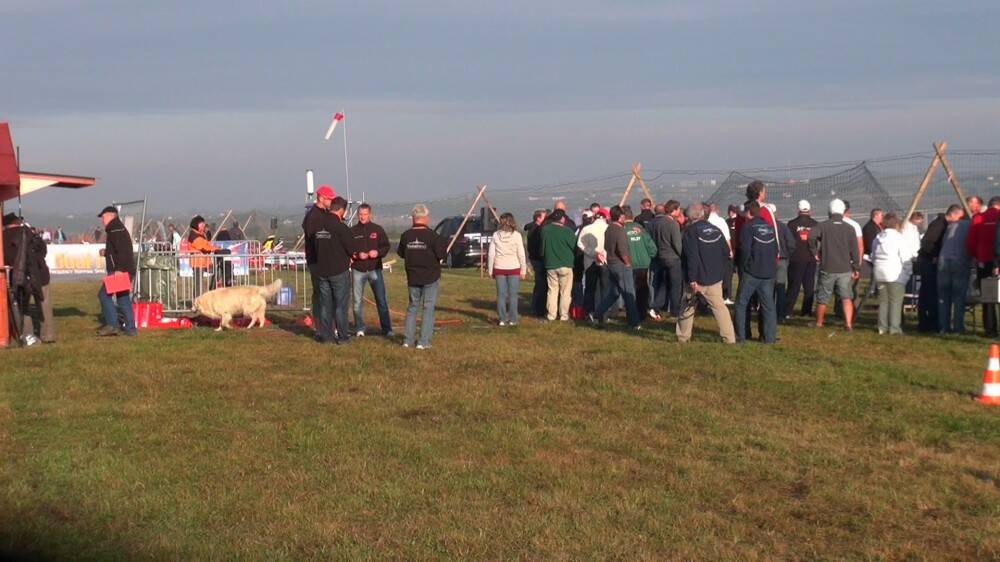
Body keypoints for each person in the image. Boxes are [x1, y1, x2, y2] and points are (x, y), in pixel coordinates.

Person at [676, 203, 736, 344]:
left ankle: (683, 337)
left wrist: (691, 278)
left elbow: (692, 257)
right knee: (720, 308)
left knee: (687, 307)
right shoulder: (715, 229)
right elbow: (726, 252)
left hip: (697, 279)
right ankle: (729, 338)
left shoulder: (690, 232)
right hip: (714, 277)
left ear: (689, 217)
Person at [397, 204, 448, 349]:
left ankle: (407, 340)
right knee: (428, 307)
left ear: (413, 218)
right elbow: (442, 255)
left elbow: (401, 253)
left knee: (412, 307)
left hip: (412, 277)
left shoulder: (406, 236)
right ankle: (423, 341)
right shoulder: (433, 236)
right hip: (430, 277)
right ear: (426, 218)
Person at [808, 199, 861, 330]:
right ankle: (848, 324)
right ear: (843, 211)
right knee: (846, 297)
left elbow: (810, 237)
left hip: (828, 267)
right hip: (845, 268)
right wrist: (856, 267)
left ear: (829, 211)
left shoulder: (823, 226)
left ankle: (819, 323)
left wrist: (815, 252)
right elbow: (855, 250)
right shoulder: (849, 228)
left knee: (823, 297)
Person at [3, 214, 54, 345]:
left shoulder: (3, 237)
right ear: (17, 222)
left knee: (23, 306)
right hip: (40, 273)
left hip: (20, 275)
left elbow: (7, 258)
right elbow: (43, 250)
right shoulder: (29, 232)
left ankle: (28, 335)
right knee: (44, 303)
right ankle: (48, 335)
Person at [734, 201, 778, 344]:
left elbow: (745, 249)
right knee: (768, 305)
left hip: (752, 272)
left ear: (748, 212)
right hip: (769, 272)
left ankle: (741, 336)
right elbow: (775, 248)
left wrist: (743, 265)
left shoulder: (748, 227)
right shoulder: (769, 227)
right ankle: (769, 337)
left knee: (741, 303)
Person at [592, 206, 640, 329]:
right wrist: (628, 263)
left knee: (613, 293)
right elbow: (622, 250)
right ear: (619, 217)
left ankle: (597, 314)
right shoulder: (620, 231)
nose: (624, 217)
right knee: (629, 294)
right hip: (621, 265)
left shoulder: (608, 229)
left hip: (611, 264)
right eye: (623, 215)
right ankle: (634, 322)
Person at [303, 185, 340, 343]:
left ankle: (329, 328)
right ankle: (321, 329)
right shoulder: (313, 217)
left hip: (324, 261)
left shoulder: (324, 214)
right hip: (317, 262)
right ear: (322, 198)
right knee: (320, 296)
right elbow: (314, 239)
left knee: (326, 296)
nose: (331, 202)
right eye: (330, 199)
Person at [350, 203, 393, 337]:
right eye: (360, 214)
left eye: (365, 214)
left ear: (370, 214)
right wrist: (357, 255)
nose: (362, 217)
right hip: (358, 270)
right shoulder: (352, 231)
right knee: (357, 301)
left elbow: (386, 247)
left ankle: (387, 329)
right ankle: (359, 328)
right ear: (358, 215)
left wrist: (377, 252)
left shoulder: (378, 230)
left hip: (375, 270)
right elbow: (348, 249)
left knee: (381, 299)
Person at [96, 206, 137, 336]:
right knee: (123, 299)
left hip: (119, 271)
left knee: (104, 295)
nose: (102, 220)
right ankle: (131, 329)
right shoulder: (116, 229)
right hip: (125, 269)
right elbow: (119, 250)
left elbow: (124, 252)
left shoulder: (116, 230)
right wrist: (107, 252)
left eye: (103, 217)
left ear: (111, 216)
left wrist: (119, 270)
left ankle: (112, 324)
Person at [871, 214, 915, 335]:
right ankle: (894, 328)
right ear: (896, 225)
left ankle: (882, 327)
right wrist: (908, 272)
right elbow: (905, 257)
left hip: (879, 273)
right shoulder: (899, 238)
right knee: (895, 302)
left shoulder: (878, 237)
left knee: (883, 301)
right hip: (895, 274)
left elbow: (873, 255)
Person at [967, 196, 1000, 336]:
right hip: (997, 262)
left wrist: (978, 255)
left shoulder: (978, 218)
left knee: (988, 298)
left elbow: (970, 243)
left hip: (984, 262)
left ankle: (990, 329)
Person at [487, 213, 527, 326]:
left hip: (499, 268)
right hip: (514, 268)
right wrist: (523, 270)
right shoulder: (517, 236)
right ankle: (513, 319)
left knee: (501, 295)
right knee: (513, 295)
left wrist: (490, 270)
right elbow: (521, 254)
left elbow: (491, 254)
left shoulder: (495, 235)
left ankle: (502, 319)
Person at [937, 205, 970, 334]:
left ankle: (943, 327)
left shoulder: (951, 226)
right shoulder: (969, 225)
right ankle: (958, 327)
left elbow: (944, 242)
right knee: (958, 296)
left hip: (943, 260)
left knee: (943, 296)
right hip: (960, 260)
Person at [648, 200, 683, 317]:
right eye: (678, 209)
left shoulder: (658, 222)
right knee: (675, 286)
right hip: (673, 258)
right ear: (674, 210)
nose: (680, 211)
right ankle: (675, 311)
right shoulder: (673, 223)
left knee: (664, 284)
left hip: (661, 256)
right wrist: (681, 255)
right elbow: (677, 243)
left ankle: (656, 306)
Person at [540, 209, 576, 321]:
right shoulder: (568, 231)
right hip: (566, 264)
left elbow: (542, 247)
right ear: (563, 219)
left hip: (550, 264)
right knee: (565, 292)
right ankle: (564, 315)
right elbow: (574, 246)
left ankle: (551, 315)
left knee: (552, 290)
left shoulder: (545, 230)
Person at [623, 206, 657, 321]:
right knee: (642, 289)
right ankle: (642, 314)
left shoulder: (622, 230)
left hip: (628, 264)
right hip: (643, 264)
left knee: (629, 290)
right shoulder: (640, 229)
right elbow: (652, 247)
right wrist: (649, 257)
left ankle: (631, 315)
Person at [786, 200, 819, 316]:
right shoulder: (815, 224)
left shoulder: (791, 224)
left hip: (796, 259)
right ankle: (806, 311)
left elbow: (787, 241)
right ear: (809, 210)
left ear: (798, 210)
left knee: (793, 286)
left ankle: (788, 311)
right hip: (811, 259)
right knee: (809, 286)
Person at [916, 211, 947, 332]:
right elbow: (927, 241)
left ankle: (926, 322)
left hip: (927, 261)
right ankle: (929, 323)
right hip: (929, 262)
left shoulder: (939, 223)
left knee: (926, 293)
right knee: (930, 293)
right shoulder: (940, 224)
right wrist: (934, 255)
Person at [577, 208, 608, 314]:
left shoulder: (586, 229)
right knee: (604, 288)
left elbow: (580, 244)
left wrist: (592, 253)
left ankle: (589, 311)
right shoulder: (608, 228)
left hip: (589, 261)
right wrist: (602, 254)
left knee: (589, 288)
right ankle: (603, 311)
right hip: (605, 261)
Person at [187, 215, 221, 298]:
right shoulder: (194, 235)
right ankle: (197, 301)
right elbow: (203, 248)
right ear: (196, 225)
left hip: (204, 262)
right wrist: (215, 249)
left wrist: (214, 248)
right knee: (198, 283)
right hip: (198, 263)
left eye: (203, 224)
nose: (203, 226)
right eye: (201, 224)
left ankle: (211, 293)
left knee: (218, 271)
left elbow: (206, 245)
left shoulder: (201, 234)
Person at [706, 203, 734, 302]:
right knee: (724, 275)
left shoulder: (706, 221)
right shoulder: (721, 221)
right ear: (717, 210)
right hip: (721, 252)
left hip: (708, 252)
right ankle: (724, 296)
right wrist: (730, 251)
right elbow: (727, 238)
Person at [524, 209, 548, 317]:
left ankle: (536, 306)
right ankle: (537, 307)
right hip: (537, 259)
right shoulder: (535, 230)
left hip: (535, 258)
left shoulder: (532, 228)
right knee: (540, 284)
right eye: (544, 217)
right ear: (538, 218)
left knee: (539, 284)